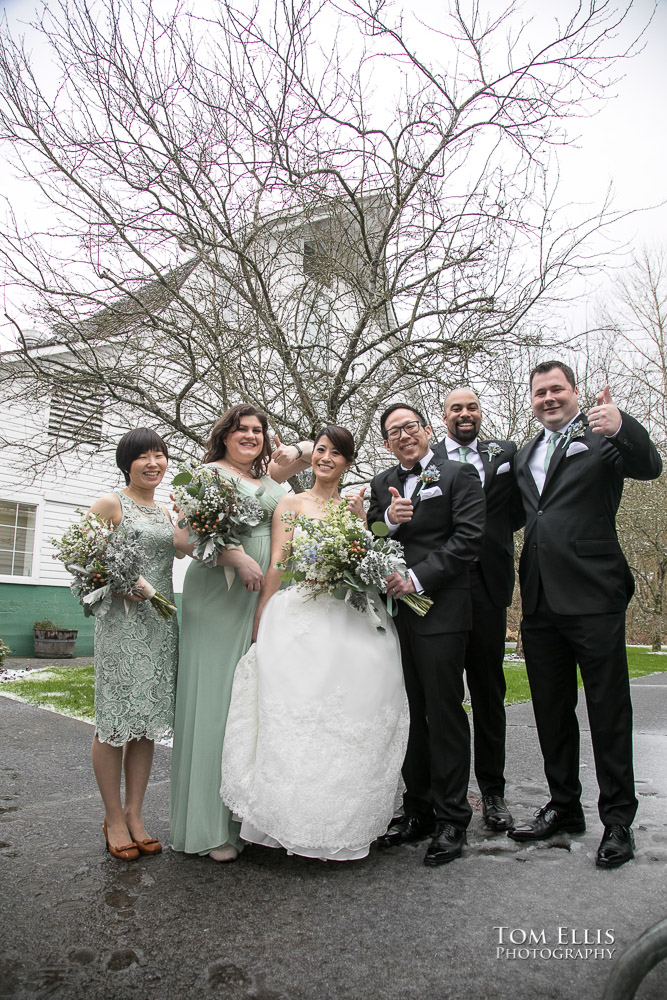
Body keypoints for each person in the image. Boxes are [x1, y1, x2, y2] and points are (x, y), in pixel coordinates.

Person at [220, 425, 409, 861]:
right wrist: (262, 614)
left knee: (348, 716)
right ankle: (292, 819)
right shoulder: (290, 503)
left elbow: (364, 563)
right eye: (321, 450)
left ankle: (343, 820)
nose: (326, 458)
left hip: (351, 615)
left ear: (347, 463)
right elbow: (277, 563)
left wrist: (363, 539)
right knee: (301, 716)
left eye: (336, 454)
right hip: (303, 613)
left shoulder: (353, 510)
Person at [508, 361, 662, 868]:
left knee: (607, 710)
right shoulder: (526, 452)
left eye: (557, 390)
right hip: (539, 599)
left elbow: (649, 464)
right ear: (530, 399)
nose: (548, 398)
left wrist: (623, 425)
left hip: (594, 594)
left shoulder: (602, 438)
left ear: (575, 393)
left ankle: (618, 819)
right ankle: (564, 807)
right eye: (539, 393)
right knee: (551, 710)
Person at [169, 405, 312, 862]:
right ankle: (208, 828)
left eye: (258, 431)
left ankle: (242, 816)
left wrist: (293, 451)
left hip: (263, 596)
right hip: (218, 596)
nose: (250, 436)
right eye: (241, 430)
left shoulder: (270, 479)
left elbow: (315, 453)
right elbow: (182, 537)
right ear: (224, 435)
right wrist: (233, 555)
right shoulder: (208, 475)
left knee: (249, 705)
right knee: (214, 703)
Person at [368, 404, 486, 866]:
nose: (403, 436)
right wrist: (390, 522)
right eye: (393, 431)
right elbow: (373, 539)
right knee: (408, 711)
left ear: (427, 431)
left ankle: (452, 817)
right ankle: (416, 808)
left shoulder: (459, 474)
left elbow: (469, 538)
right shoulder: (381, 483)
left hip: (442, 609)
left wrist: (417, 578)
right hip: (396, 615)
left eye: (410, 427)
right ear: (385, 442)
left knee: (443, 709)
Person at [433, 388, 524, 832]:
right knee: (443, 694)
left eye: (472, 407)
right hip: (440, 587)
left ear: (480, 413)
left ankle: (493, 792)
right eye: (456, 408)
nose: (465, 414)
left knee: (488, 691)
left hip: (488, 584)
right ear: (444, 415)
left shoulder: (506, 453)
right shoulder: (427, 459)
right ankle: (443, 793)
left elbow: (523, 507)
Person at [88, 427, 179, 861]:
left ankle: (136, 813)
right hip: (121, 627)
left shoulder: (165, 513)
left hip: (160, 626)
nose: (152, 463)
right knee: (114, 721)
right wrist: (115, 585)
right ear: (127, 463)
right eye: (142, 456)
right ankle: (112, 817)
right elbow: (80, 560)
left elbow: (190, 549)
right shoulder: (111, 503)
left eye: (159, 455)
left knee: (145, 723)